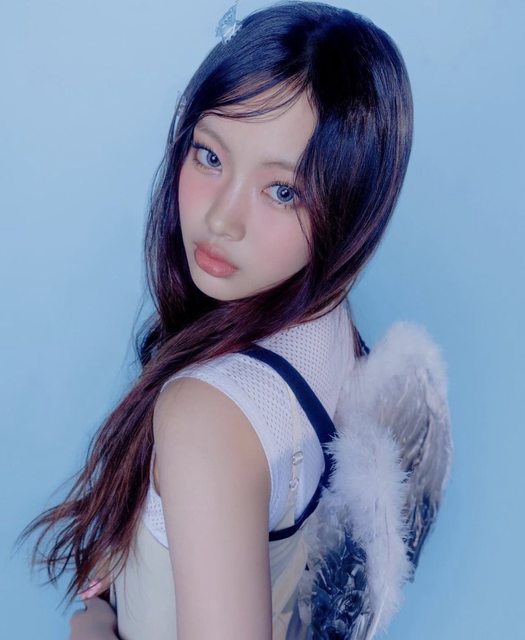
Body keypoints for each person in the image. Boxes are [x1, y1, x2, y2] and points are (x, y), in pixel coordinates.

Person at [16, 1, 414, 638]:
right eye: (209, 156)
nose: (222, 219)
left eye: (283, 191)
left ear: (352, 208)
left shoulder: (209, 417)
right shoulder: (333, 326)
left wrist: (94, 630)